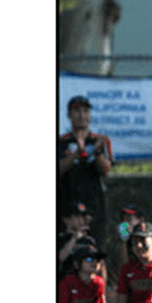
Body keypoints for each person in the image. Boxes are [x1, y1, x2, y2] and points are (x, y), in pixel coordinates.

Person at [58, 95, 114, 253]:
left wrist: (97, 153)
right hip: (66, 209)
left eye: (86, 111)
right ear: (69, 115)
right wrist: (76, 154)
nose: (82, 115)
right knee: (67, 254)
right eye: (77, 111)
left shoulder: (99, 140)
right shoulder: (61, 142)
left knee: (97, 251)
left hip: (94, 209)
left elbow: (106, 171)